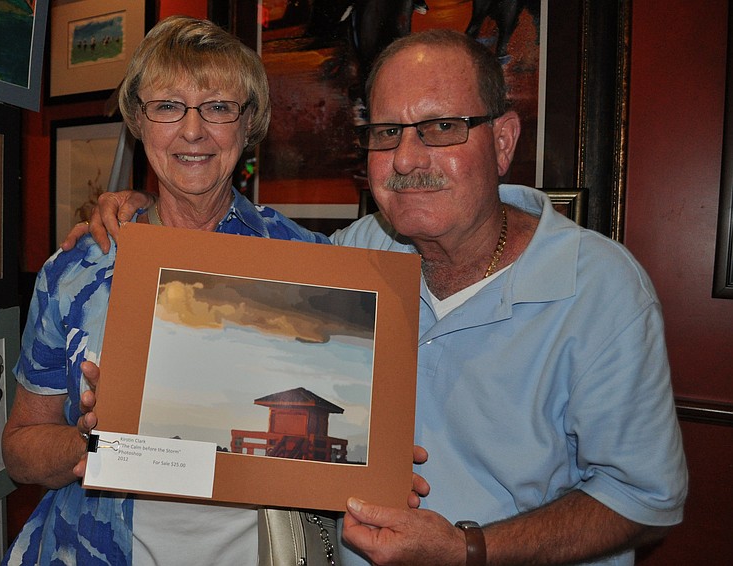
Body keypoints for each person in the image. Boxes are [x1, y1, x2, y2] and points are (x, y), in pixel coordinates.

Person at [76, 26, 689, 565]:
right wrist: (136, 213)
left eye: (442, 128)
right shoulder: (353, 257)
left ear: (502, 142)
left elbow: (644, 499)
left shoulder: (601, 289)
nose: (406, 158)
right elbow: (231, 301)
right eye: (387, 131)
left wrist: (467, 551)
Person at [2, 16, 345, 565]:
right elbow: (19, 450)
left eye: (217, 106)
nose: (192, 131)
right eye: (167, 106)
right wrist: (93, 441)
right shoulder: (76, 271)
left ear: (247, 120)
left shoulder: (306, 261)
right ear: (139, 119)